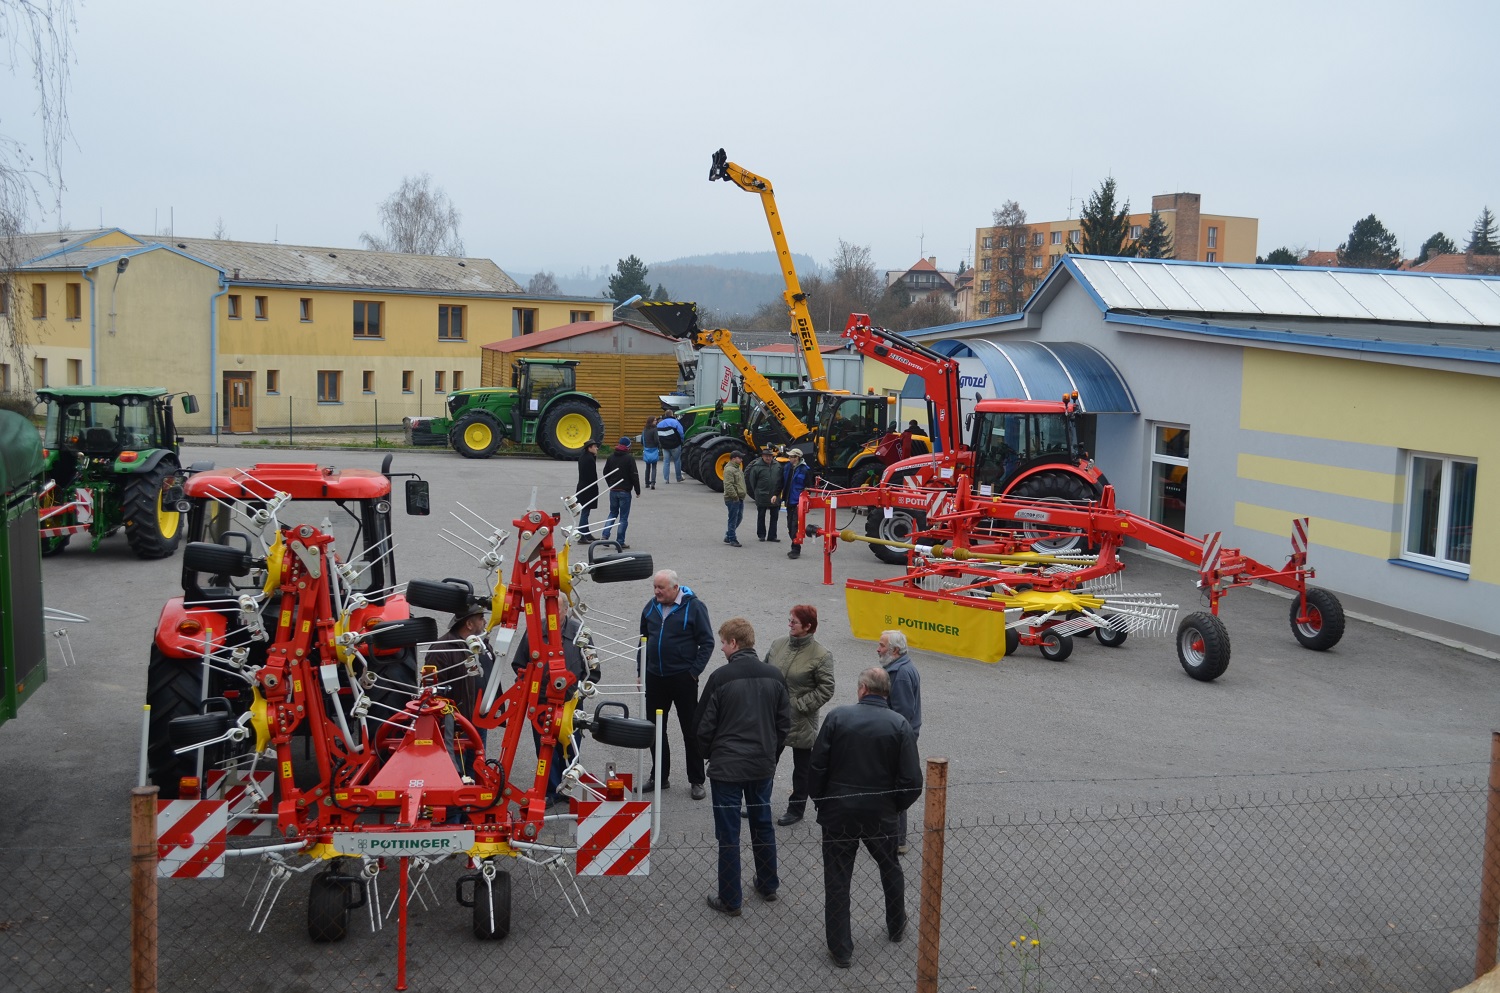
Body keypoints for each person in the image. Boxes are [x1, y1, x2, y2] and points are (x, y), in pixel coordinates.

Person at [810, 666, 923, 969]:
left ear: (862, 689)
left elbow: (817, 765)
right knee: (890, 867)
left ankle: (841, 948)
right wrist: (893, 806)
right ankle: (896, 925)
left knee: (837, 877)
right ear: (886, 692)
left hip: (839, 811)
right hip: (880, 813)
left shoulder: (837, 717)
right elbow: (912, 780)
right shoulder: (899, 724)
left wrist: (822, 801)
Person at [694, 617, 791, 915]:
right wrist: (769, 755)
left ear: (734, 643)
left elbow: (702, 727)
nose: (721, 648)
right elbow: (783, 724)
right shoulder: (774, 676)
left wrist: (712, 753)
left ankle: (730, 899)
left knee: (728, 833)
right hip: (761, 766)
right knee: (762, 824)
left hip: (727, 768)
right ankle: (767, 883)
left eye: (723, 642)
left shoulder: (721, 678)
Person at [639, 569, 714, 799]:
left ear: (675, 588)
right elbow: (643, 641)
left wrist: (693, 672)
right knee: (655, 730)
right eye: (654, 587)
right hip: (655, 678)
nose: (656, 592)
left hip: (683, 679)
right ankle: (660, 777)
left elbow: (707, 642)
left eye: (661, 588)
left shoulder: (694, 607)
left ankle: (696, 780)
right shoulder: (651, 608)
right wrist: (640, 670)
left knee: (690, 730)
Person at [764, 604, 835, 826]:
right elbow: (765, 671)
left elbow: (826, 688)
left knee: (802, 769)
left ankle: (796, 809)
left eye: (794, 622)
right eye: (790, 620)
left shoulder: (822, 655)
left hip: (801, 720)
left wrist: (798, 706)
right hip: (774, 718)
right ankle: (759, 802)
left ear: (807, 627)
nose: (789, 624)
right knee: (766, 762)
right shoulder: (778, 644)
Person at [426, 603, 496, 781]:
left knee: (477, 765)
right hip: (457, 726)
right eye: (480, 618)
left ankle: (475, 803)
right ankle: (458, 808)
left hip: (479, 719)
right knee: (457, 770)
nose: (485, 621)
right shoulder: (441, 650)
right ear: (469, 624)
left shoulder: (482, 644)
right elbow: (433, 692)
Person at [877, 630, 923, 853]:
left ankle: (897, 841)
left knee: (895, 788)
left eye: (882, 646)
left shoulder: (901, 674)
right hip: (898, 740)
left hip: (897, 742)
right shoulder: (898, 668)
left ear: (895, 650)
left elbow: (902, 716)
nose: (878, 649)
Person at [601, 436, 641, 549]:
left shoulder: (611, 457)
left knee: (612, 513)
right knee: (623, 518)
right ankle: (620, 541)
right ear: (628, 447)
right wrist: (637, 490)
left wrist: (610, 484)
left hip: (613, 490)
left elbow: (605, 472)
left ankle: (605, 535)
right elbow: (634, 476)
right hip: (625, 491)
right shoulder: (629, 459)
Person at [777, 447, 811, 559]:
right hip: (789, 501)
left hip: (798, 503)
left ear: (797, 458)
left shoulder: (805, 470)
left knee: (795, 526)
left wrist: (805, 502)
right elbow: (781, 482)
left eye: (791, 456)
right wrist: (776, 494)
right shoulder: (787, 467)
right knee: (789, 526)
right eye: (789, 456)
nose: (789, 458)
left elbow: (808, 488)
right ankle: (795, 545)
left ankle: (795, 549)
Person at [744, 448, 783, 542]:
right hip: (761, 495)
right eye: (766, 456)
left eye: (770, 456)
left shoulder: (777, 465)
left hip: (775, 495)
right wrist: (757, 492)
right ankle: (761, 535)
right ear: (762, 456)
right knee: (761, 515)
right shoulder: (756, 466)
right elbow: (752, 481)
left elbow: (780, 479)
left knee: (774, 516)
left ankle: (772, 536)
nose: (768, 458)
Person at [576, 439, 601, 539]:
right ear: (589, 448)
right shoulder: (589, 459)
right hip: (588, 488)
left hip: (583, 486)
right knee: (585, 512)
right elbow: (591, 475)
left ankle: (587, 533)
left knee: (586, 511)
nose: (596, 448)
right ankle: (582, 535)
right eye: (594, 447)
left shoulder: (584, 457)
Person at [722, 450, 746, 547]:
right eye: (739, 458)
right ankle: (732, 538)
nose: (741, 459)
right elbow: (728, 485)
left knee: (738, 517)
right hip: (733, 499)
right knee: (733, 518)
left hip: (739, 497)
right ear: (733, 458)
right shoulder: (729, 470)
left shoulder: (737, 468)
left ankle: (729, 535)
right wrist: (735, 496)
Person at [656, 410, 685, 484]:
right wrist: (682, 441)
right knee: (677, 461)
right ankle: (678, 478)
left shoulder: (659, 424)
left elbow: (658, 435)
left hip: (665, 446)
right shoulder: (675, 422)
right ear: (672, 414)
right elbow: (681, 433)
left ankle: (666, 479)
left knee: (666, 462)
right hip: (675, 445)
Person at [642, 415, 662, 490]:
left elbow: (642, 440)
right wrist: (659, 445)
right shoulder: (654, 429)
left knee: (647, 467)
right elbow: (656, 440)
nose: (656, 421)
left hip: (647, 449)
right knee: (654, 466)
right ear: (651, 421)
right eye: (655, 420)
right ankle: (653, 482)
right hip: (653, 449)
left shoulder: (645, 429)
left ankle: (647, 482)